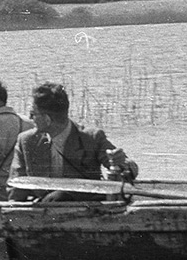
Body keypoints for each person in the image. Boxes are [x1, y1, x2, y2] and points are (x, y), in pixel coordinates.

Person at [8, 82, 138, 202]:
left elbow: (127, 170)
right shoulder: (26, 141)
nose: (30, 118)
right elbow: (17, 186)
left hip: (85, 211)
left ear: (47, 119)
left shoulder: (91, 138)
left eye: (33, 114)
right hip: (44, 211)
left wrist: (122, 164)